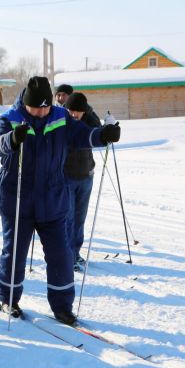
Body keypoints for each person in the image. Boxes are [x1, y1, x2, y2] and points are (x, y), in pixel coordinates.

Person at [0, 76, 120, 325]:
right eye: (36, 107)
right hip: (17, 198)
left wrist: (105, 135)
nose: (41, 112)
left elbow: (84, 136)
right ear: (25, 103)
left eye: (45, 106)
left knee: (61, 255)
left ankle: (62, 307)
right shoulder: (10, 118)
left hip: (52, 199)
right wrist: (12, 139)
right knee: (14, 253)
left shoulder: (60, 117)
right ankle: (9, 299)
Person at [64, 92, 103, 272]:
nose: (74, 115)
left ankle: (76, 252)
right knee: (68, 217)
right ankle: (67, 255)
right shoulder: (62, 119)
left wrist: (89, 112)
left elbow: (99, 131)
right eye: (71, 111)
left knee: (80, 218)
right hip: (66, 176)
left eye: (77, 112)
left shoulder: (88, 120)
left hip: (86, 175)